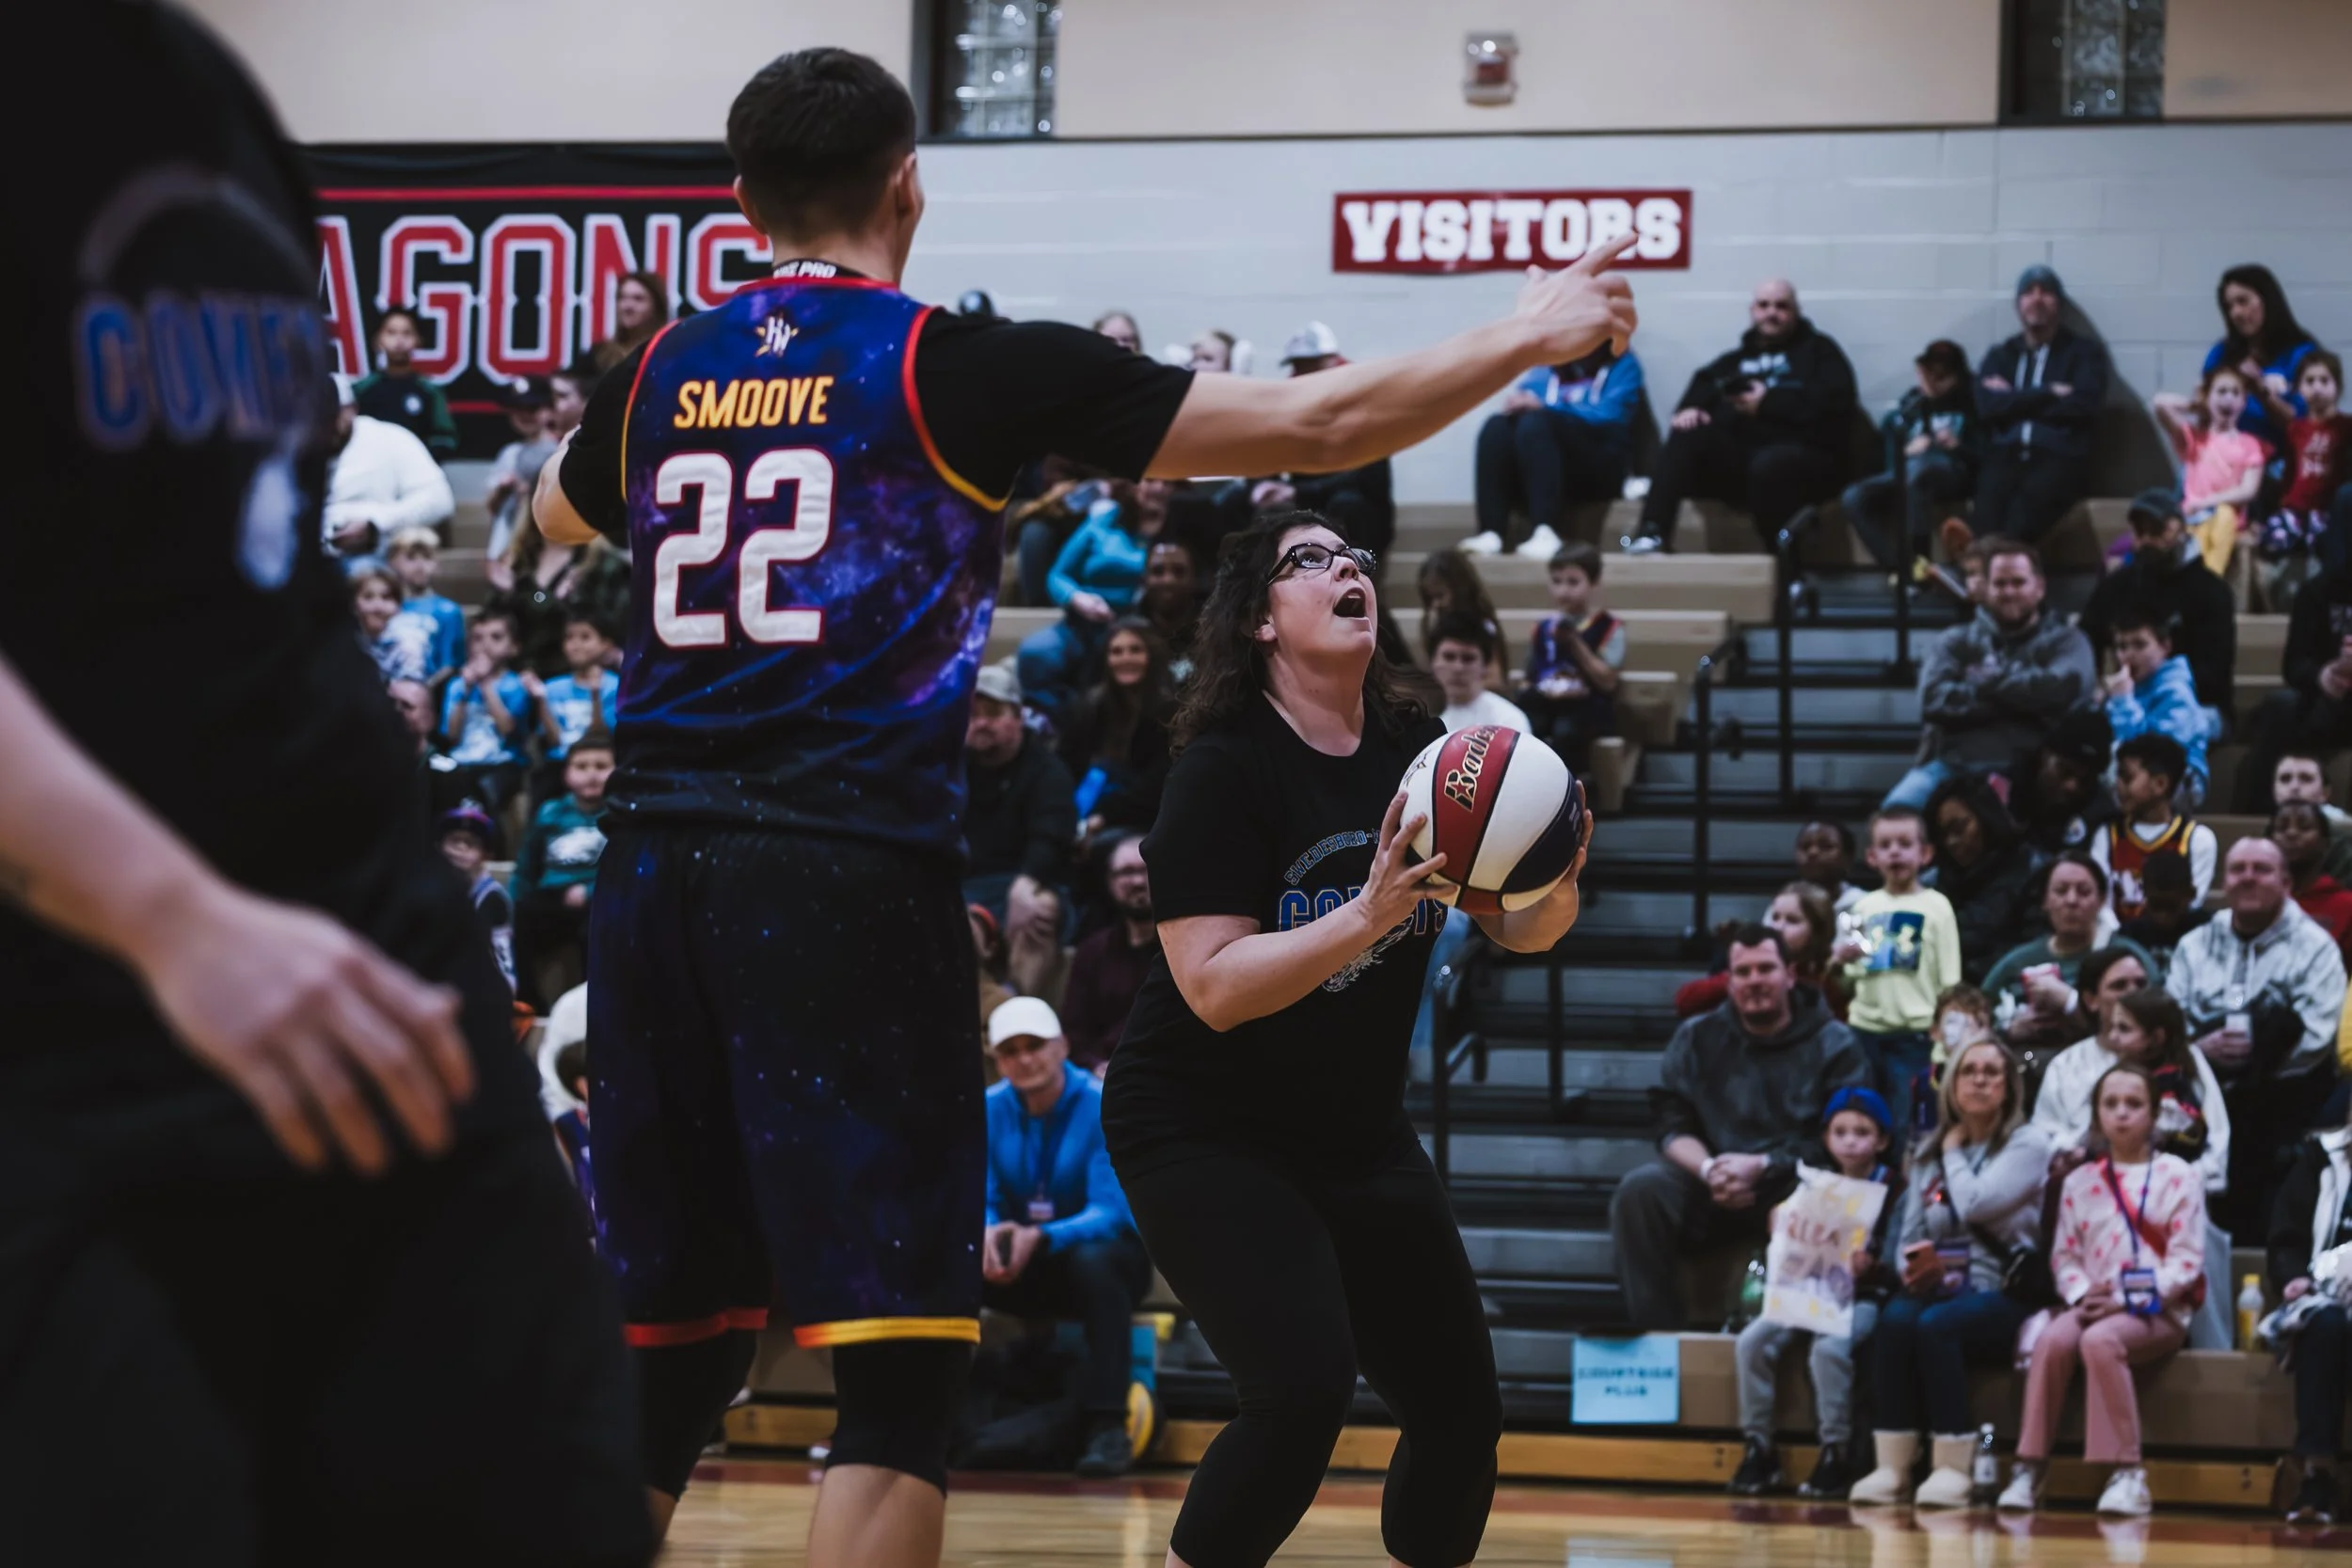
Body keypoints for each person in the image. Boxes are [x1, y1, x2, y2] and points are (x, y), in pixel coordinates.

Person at [530, 47, 1637, 1560]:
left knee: (663, 1364)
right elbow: (1322, 428)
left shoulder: (657, 373)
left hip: (648, 879)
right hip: (844, 874)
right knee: (898, 1374)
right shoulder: (958, 369)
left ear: (740, 202)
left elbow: (549, 513)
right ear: (912, 182)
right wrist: (1528, 328)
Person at [1, 8, 649, 1561]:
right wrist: (173, 913)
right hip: (85, 1005)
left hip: (364, 954)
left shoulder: (203, 96)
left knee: (551, 1502)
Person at [1106, 513, 1592, 1568]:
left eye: (1354, 558)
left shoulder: (1425, 759)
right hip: (1200, 1128)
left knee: (1461, 1410)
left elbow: (1524, 929)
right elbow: (1214, 988)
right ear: (1261, 622)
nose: (1347, 570)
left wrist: (1554, 867)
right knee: (1299, 1388)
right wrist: (1363, 917)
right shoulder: (1223, 768)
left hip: (1353, 1133)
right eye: (1310, 561)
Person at [1613, 925, 1868, 1329]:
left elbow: (1845, 1143)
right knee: (1640, 1192)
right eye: (1743, 972)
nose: (1754, 981)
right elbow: (1669, 1122)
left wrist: (1764, 1164)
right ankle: (1657, 1338)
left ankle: (1805, 1347)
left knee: (1831, 1192)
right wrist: (1710, 1169)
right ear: (1729, 981)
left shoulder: (1835, 1043)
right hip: (1713, 1184)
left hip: (1791, 1184)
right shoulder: (1696, 1037)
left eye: (1765, 968)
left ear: (1791, 973)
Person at [1849, 1040, 2051, 1509]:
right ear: (1951, 1084)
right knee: (1896, 1319)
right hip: (1942, 1286)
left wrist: (1955, 1151)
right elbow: (1908, 1239)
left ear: (2009, 1088)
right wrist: (1914, 1271)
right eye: (1969, 1072)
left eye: (1991, 1073)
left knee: (1938, 1325)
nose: (1979, 1080)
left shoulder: (2029, 1144)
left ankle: (1951, 1465)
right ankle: (1892, 1464)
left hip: (2005, 1289)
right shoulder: (1926, 1153)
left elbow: (1977, 1202)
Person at [2000, 1062, 2204, 1518]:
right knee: (2052, 1340)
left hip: (2157, 1309)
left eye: (2134, 1104)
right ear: (2095, 1116)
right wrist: (2079, 1296)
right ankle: (2029, 1466)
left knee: (2100, 1339)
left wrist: (2127, 1299)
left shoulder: (2179, 1176)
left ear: (2154, 1114)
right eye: (2110, 1104)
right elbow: (2064, 1257)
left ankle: (2127, 1473)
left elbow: (2186, 1262)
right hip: (2094, 1302)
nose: (2122, 1113)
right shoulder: (2078, 1181)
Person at [979, 996, 1152, 1478]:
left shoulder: (1101, 1103)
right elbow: (984, 1195)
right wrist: (990, 1233)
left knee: (1093, 1264)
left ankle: (1107, 1427)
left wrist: (1043, 1236)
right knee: (952, 1258)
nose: (1024, 1059)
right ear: (997, 1060)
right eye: (1010, 1051)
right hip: (1027, 1257)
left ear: (1062, 1047)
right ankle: (931, 1419)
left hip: (1108, 1258)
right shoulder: (989, 1109)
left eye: (1034, 1045)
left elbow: (1112, 1210)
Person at [2169, 837, 2349, 1236]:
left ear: (2286, 883)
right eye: (2238, 869)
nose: (2248, 878)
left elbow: (2318, 1036)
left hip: (2282, 1094)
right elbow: (2170, 1020)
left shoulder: (2315, 947)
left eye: (2261, 870)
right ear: (2225, 882)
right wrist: (2199, 1051)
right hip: (2202, 1086)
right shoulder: (2195, 944)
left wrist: (2252, 1063)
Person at [1729, 1085, 1900, 1500]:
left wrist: (1874, 1266)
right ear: (1826, 1138)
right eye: (1840, 1131)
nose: (1850, 1140)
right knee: (1751, 1342)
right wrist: (1780, 1225)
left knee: (1828, 1350)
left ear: (1881, 1140)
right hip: (1806, 1292)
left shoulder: (1895, 1189)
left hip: (1862, 1298)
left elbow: (1898, 1260)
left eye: (1862, 1132)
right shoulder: (1814, 1184)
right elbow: (1791, 1232)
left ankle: (1836, 1451)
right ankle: (1759, 1446)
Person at [1624, 278, 1855, 555]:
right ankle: (1652, 532)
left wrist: (1767, 402)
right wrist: (1691, 410)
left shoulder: (1820, 352)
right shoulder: (1734, 361)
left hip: (1800, 461)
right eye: (1764, 305)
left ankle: (1781, 561)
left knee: (1770, 464)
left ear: (1796, 311)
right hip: (1740, 464)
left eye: (1782, 306)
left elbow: (1838, 407)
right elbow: (1696, 393)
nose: (1772, 312)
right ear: (1752, 310)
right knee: (1688, 430)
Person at [1883, 538, 2092, 812]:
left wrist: (1984, 682)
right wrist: (2022, 700)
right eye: (1999, 583)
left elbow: (2060, 692)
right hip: (1952, 767)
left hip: (2034, 774)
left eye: (2018, 582)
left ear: (2039, 588)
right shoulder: (1954, 641)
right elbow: (1932, 701)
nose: (2008, 592)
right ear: (1985, 589)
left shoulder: (2067, 641)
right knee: (1896, 813)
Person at [1833, 807, 1963, 1139]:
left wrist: (1945, 1038)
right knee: (1863, 1119)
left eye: (1905, 843)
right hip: (1865, 1032)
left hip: (1916, 1035)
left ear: (1926, 854)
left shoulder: (1937, 906)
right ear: (1872, 857)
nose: (1895, 851)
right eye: (1885, 844)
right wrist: (1840, 962)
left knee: (1908, 1123)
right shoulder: (1862, 908)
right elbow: (1848, 981)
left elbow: (1950, 978)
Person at [2032, 986, 2228, 1198]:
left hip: (2158, 1192)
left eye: (2124, 1029)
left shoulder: (2171, 1088)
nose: (2113, 1036)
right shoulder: (2127, 1073)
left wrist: (2088, 1151)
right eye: (2113, 1027)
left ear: (2156, 1038)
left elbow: (2127, 1140)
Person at [1969, 264, 2107, 547]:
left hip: (2058, 456)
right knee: (1986, 517)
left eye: (2046, 292)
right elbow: (1986, 406)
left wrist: (2014, 399)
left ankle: (1996, 574)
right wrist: (2047, 393)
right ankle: (1985, 574)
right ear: (2018, 304)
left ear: (2059, 303)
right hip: (2005, 454)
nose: (2037, 299)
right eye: (2028, 292)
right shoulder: (2001, 355)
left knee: (2021, 521)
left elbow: (2084, 406)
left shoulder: (2083, 354)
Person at [962, 665, 1077, 998]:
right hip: (969, 886)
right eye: (973, 714)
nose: (981, 723)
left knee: (1035, 910)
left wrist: (1027, 882)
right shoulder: (951, 770)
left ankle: (1018, 1012)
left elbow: (1052, 838)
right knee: (955, 922)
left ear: (1018, 716)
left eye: (994, 713)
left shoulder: (1047, 771)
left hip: (1033, 881)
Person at [1466, 345, 1645, 559]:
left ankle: (1546, 529)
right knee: (1497, 426)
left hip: (1598, 461)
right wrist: (1519, 405)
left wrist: (1548, 408)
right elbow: (1528, 394)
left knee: (1537, 423)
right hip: (1549, 461)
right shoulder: (1549, 366)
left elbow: (1610, 414)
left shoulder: (1624, 365)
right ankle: (1491, 532)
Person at [2264, 1107, 2352, 1524]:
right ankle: (2317, 1472)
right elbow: (2286, 1239)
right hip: (2325, 1293)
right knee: (2326, 1327)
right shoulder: (2319, 1158)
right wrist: (2294, 1278)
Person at [2079, 488, 2237, 717]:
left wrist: (2159, 682)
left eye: (2155, 529)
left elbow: (2216, 671)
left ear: (2179, 529)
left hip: (2197, 704)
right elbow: (2087, 636)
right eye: (2139, 531)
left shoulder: (2212, 591)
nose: (2145, 540)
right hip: (2128, 698)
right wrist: (2097, 685)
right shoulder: (2118, 584)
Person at [1981, 854, 2153, 1058]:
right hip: (2028, 1060)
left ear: (2101, 900)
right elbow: (1978, 1020)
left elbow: (2152, 1023)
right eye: (2061, 891)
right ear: (2045, 901)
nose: (2071, 901)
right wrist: (2009, 1031)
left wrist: (2071, 1003)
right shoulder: (2016, 961)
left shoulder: (2127, 958)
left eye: (2084, 892)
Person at [1252, 324, 1398, 562]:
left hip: (1359, 511)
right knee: (1257, 505)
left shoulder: (1366, 406)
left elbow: (1368, 479)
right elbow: (1267, 451)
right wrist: (1263, 485)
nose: (1301, 374)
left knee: (1347, 504)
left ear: (1331, 362)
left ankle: (1356, 575)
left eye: (1308, 364)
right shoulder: (1294, 406)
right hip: (1313, 502)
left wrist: (1297, 490)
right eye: (1297, 366)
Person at [1840, 339, 1981, 573]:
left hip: (1950, 472)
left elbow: (1986, 457)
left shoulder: (1973, 402)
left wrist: (1957, 446)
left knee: (1920, 472)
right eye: (1928, 375)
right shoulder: (1912, 404)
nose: (1933, 384)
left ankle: (1921, 561)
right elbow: (1887, 452)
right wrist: (1904, 450)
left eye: (1942, 377)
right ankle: (1898, 568)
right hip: (1905, 471)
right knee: (1852, 496)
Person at [1020, 481, 1157, 721]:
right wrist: (1077, 598)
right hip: (1084, 618)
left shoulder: (1166, 526)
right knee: (1036, 652)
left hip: (1135, 621)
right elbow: (1057, 575)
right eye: (1148, 483)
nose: (1154, 490)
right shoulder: (1102, 522)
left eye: (1164, 484)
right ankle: (1066, 723)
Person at [2237, 554, 2352, 808]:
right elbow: (2294, 665)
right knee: (2280, 706)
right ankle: (2258, 817)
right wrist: (2326, 676)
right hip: (2327, 700)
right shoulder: (2318, 590)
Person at [512, 731, 612, 1010]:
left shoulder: (621, 817)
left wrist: (591, 891)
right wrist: (513, 901)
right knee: (519, 922)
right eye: (582, 767)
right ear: (567, 774)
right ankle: (529, 1001)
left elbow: (628, 871)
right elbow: (526, 865)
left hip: (599, 901)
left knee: (596, 931)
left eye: (601, 767)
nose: (591, 774)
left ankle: (595, 1005)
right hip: (552, 899)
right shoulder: (550, 813)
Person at [1056, 617, 1174, 844]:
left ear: (1152, 656)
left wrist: (1104, 817)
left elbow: (1159, 784)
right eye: (1116, 652)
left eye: (1135, 650)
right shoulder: (1089, 707)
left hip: (1146, 820)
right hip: (1086, 813)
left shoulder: (1171, 713)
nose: (1125, 659)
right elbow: (1063, 765)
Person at [1923, 772, 2048, 984]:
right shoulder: (1937, 882)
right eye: (1943, 834)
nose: (1952, 842)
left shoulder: (2034, 869)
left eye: (1959, 828)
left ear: (1985, 816)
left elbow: (2033, 950)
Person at [2250, 352, 2351, 610]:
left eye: (2324, 381)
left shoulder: (2345, 426)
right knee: (2272, 537)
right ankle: (2277, 597)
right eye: (2310, 381)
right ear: (2299, 389)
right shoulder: (2297, 428)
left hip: (2327, 510)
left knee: (2323, 546)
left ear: (2337, 387)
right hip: (2296, 507)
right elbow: (2291, 470)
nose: (2317, 387)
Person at [486, 505, 632, 679]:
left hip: (580, 677)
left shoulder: (602, 565)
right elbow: (532, 601)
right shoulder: (518, 562)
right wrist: (515, 593)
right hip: (519, 677)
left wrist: (537, 595)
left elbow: (609, 625)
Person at [2153, 365, 2268, 585]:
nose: (2228, 398)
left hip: (2225, 519)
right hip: (2193, 518)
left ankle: (2207, 583)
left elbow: (2248, 490)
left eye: (2235, 393)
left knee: (2223, 514)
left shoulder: (2249, 445)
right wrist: (2196, 405)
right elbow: (2160, 404)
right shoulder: (2195, 439)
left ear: (2243, 402)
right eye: (2221, 392)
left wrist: (2205, 501)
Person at [322, 374, 455, 562]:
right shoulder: (288, 450)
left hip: (375, 559)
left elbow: (440, 500)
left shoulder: (389, 438)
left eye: (334, 413)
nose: (326, 422)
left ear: (352, 409)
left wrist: (376, 523)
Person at [1515, 543, 1624, 770]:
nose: (1563, 590)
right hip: (1548, 702)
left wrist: (1574, 641)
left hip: (1587, 705)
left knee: (1567, 732)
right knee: (1526, 721)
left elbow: (1608, 681)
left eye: (1573, 582)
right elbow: (1530, 675)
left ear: (1593, 584)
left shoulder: (1609, 626)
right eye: (1556, 581)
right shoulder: (1542, 627)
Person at [2091, 734, 2219, 919]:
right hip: (2117, 943)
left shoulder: (2197, 839)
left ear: (2160, 784)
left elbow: (2191, 906)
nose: (2117, 786)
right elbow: (2101, 905)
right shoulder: (2107, 835)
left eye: (2126, 777)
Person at [2102, 610, 2218, 810]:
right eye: (2122, 646)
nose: (2128, 655)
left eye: (2140, 645)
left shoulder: (2177, 691)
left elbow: (2158, 753)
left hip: (2181, 781)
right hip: (2136, 775)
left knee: (2117, 756)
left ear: (2165, 647)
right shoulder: (2129, 687)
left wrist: (2122, 703)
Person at [1059, 835, 1156, 1071]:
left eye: (1146, 870)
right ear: (1109, 882)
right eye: (1125, 872)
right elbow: (1074, 1032)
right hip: (1106, 1077)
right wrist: (1094, 1066)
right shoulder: (1092, 952)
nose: (1136, 881)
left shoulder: (1185, 946)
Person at [2203, 262, 2321, 452]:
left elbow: (2303, 425)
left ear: (2266, 300)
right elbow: (2205, 417)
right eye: (2229, 306)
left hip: (2282, 460)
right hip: (2229, 455)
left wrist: (2260, 390)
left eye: (2243, 301)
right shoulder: (2222, 353)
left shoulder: (2301, 353)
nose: (2236, 313)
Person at [1675, 881, 1833, 1019]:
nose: (1778, 927)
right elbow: (1685, 1002)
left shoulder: (1833, 977)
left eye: (1792, 921)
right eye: (1775, 917)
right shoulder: (1747, 959)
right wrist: (1739, 978)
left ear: (1818, 931)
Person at [439, 609, 533, 814]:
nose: (485, 644)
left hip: (501, 763)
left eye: (496, 637)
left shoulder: (516, 685)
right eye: (477, 638)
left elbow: (508, 729)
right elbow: (451, 735)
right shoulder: (456, 686)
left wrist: (485, 683)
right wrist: (465, 689)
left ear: (513, 648)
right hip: (461, 761)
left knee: (486, 795)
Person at [353, 305, 458, 461]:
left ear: (418, 340)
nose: (399, 340)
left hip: (417, 472)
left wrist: (423, 458)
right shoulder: (362, 389)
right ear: (378, 340)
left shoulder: (429, 391)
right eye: (391, 332)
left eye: (407, 333)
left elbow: (445, 437)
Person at [440, 802, 517, 992]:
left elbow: (499, 963)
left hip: (487, 984)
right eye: (454, 840)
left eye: (470, 843)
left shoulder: (492, 898)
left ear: (486, 855)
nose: (460, 849)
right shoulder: (434, 889)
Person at [483, 377, 557, 562]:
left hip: (541, 544)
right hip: (506, 539)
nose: (524, 415)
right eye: (517, 409)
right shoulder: (510, 453)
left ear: (548, 409)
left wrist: (531, 491)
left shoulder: (559, 450)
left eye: (532, 409)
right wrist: (504, 490)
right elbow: (492, 507)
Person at [533, 610, 622, 764]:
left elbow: (601, 736)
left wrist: (595, 695)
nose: (576, 645)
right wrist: (540, 701)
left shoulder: (615, 686)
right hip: (559, 763)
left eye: (585, 637)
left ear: (606, 644)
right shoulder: (551, 687)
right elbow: (554, 740)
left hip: (598, 762)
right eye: (569, 637)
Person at [384, 526, 468, 678]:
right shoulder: (382, 607)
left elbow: (449, 666)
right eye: (411, 558)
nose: (420, 565)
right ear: (392, 561)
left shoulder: (447, 610)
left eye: (427, 557)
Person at [2279, 800, 2352, 966]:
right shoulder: (2256, 902)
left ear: (2325, 843)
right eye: (2282, 828)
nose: (2291, 833)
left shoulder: (2347, 905)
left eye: (2304, 827)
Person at [1430, 616, 1532, 733]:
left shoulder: (1507, 721)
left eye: (1468, 659)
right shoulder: (1416, 716)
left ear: (1485, 666)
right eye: (1449, 657)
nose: (1458, 668)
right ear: (1433, 661)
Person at [1417, 547, 1508, 677]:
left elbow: (1495, 678)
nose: (1435, 604)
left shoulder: (1482, 624)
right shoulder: (1433, 623)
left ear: (1460, 590)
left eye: (1440, 596)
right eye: (1429, 598)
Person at [2114, 854, 2209, 975]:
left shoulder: (2208, 932)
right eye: (2156, 906)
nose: (2163, 917)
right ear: (2143, 892)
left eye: (2171, 907)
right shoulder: (2129, 935)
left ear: (2191, 895)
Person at [352, 564, 436, 686]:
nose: (378, 606)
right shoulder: (346, 641)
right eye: (368, 597)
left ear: (398, 605)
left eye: (386, 598)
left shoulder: (409, 645)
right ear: (354, 605)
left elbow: (408, 696)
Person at [591, 270, 671, 372]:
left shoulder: (668, 353)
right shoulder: (599, 355)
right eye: (622, 298)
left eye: (638, 299)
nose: (627, 306)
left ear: (657, 307)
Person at [1795, 819, 1864, 915]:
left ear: (1848, 857)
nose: (1812, 852)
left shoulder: (1863, 905)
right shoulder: (1782, 906)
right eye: (1805, 847)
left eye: (1825, 846)